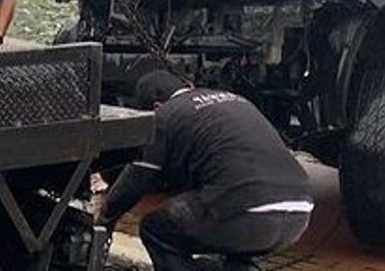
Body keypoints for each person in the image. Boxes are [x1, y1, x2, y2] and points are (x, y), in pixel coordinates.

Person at [97, 70, 312, 271]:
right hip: (299, 214)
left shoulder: (163, 116)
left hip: (245, 210)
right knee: (230, 247)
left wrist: (105, 219)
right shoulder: (236, 100)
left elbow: (137, 177)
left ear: (155, 107)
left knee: (156, 230)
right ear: (187, 86)